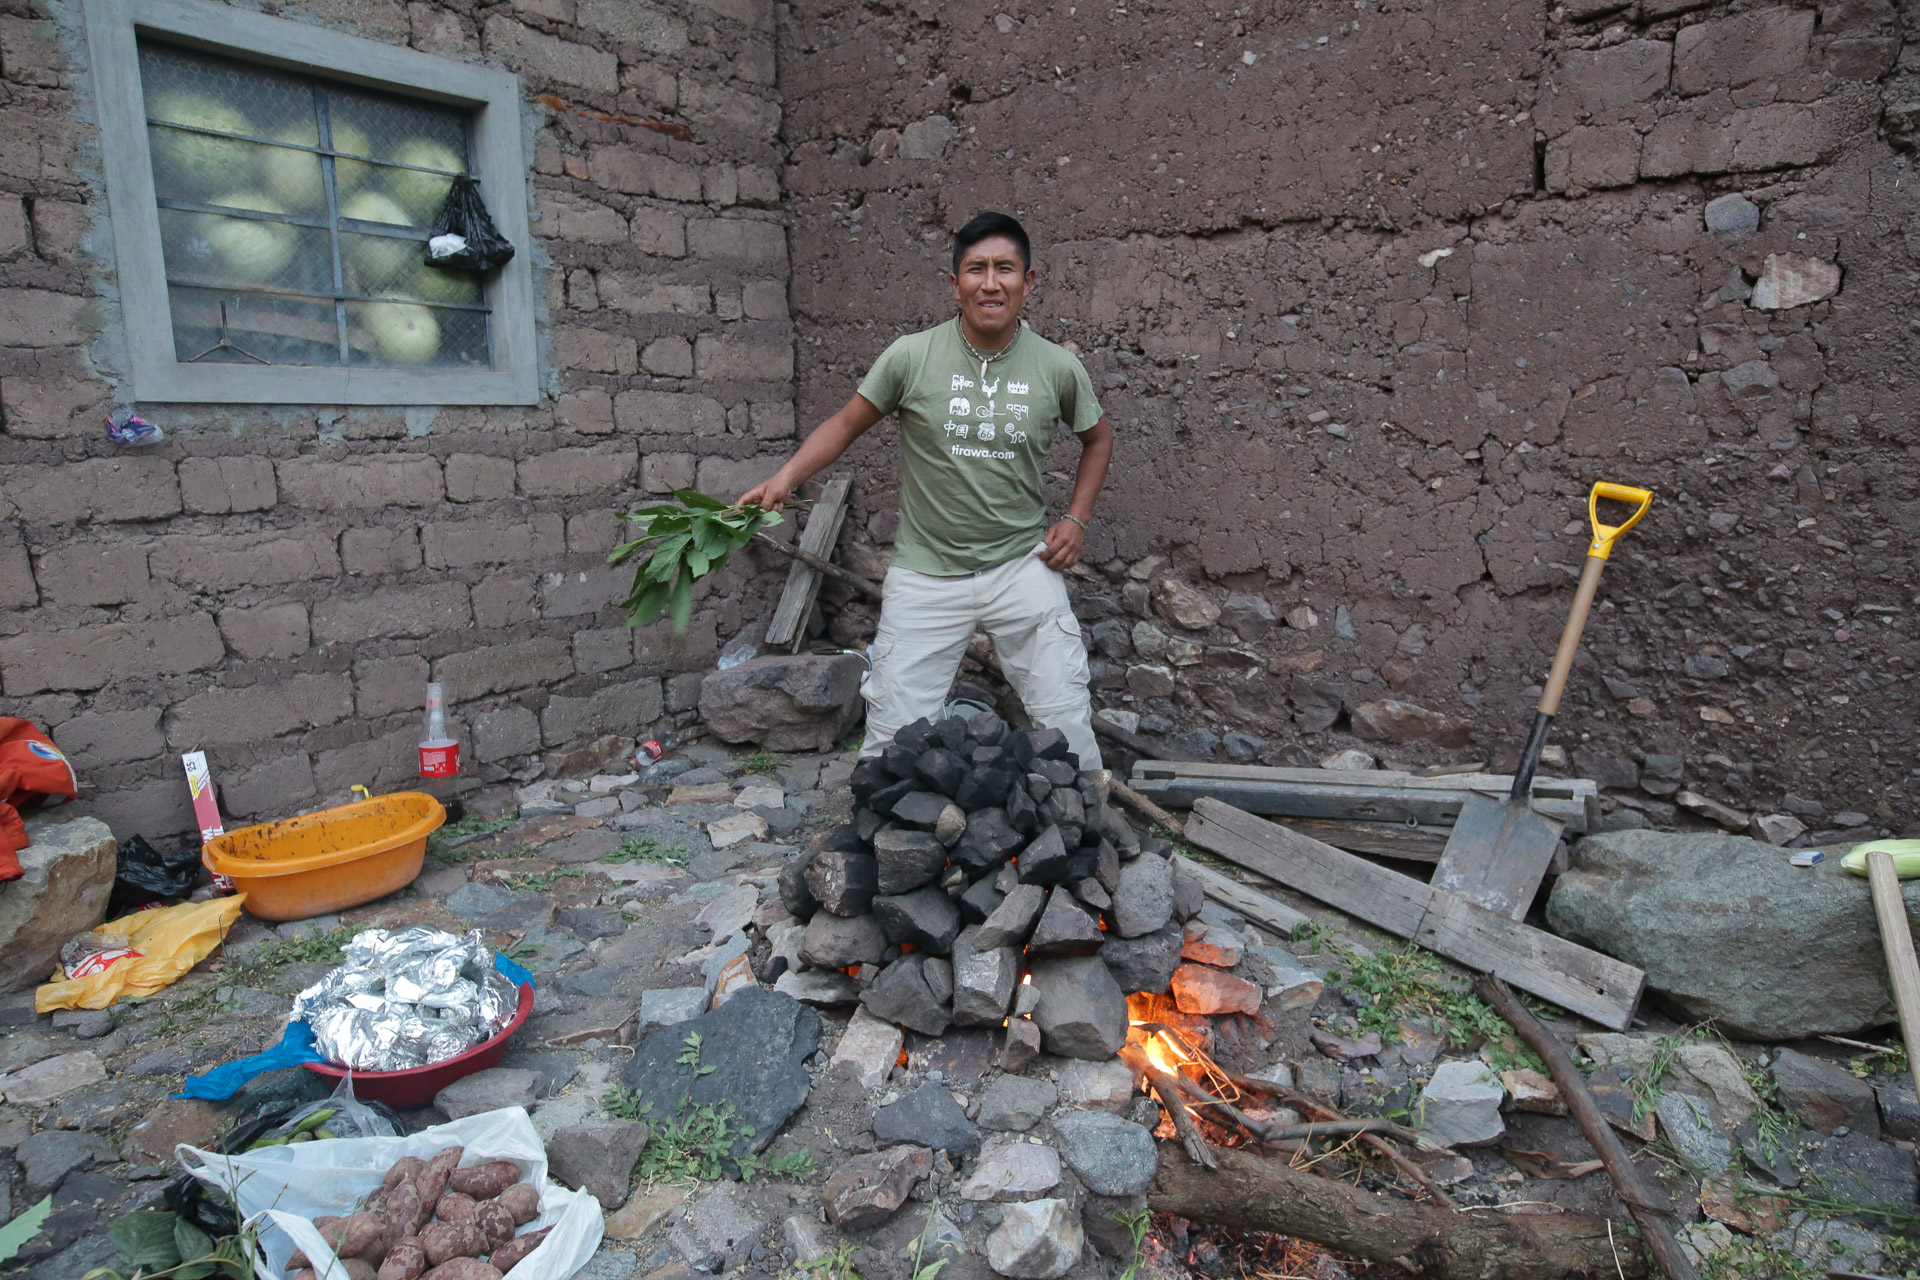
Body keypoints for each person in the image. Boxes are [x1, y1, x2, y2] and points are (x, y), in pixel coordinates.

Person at [740, 211, 1114, 767]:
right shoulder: (911, 357)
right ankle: (889, 842)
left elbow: (1099, 440)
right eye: (976, 269)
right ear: (955, 283)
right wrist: (786, 477)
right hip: (926, 572)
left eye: (1005, 269)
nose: (991, 283)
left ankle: (1082, 830)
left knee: (1065, 720)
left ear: (1028, 281)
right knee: (893, 736)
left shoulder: (1057, 367)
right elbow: (845, 425)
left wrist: (1076, 519)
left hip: (1020, 565)